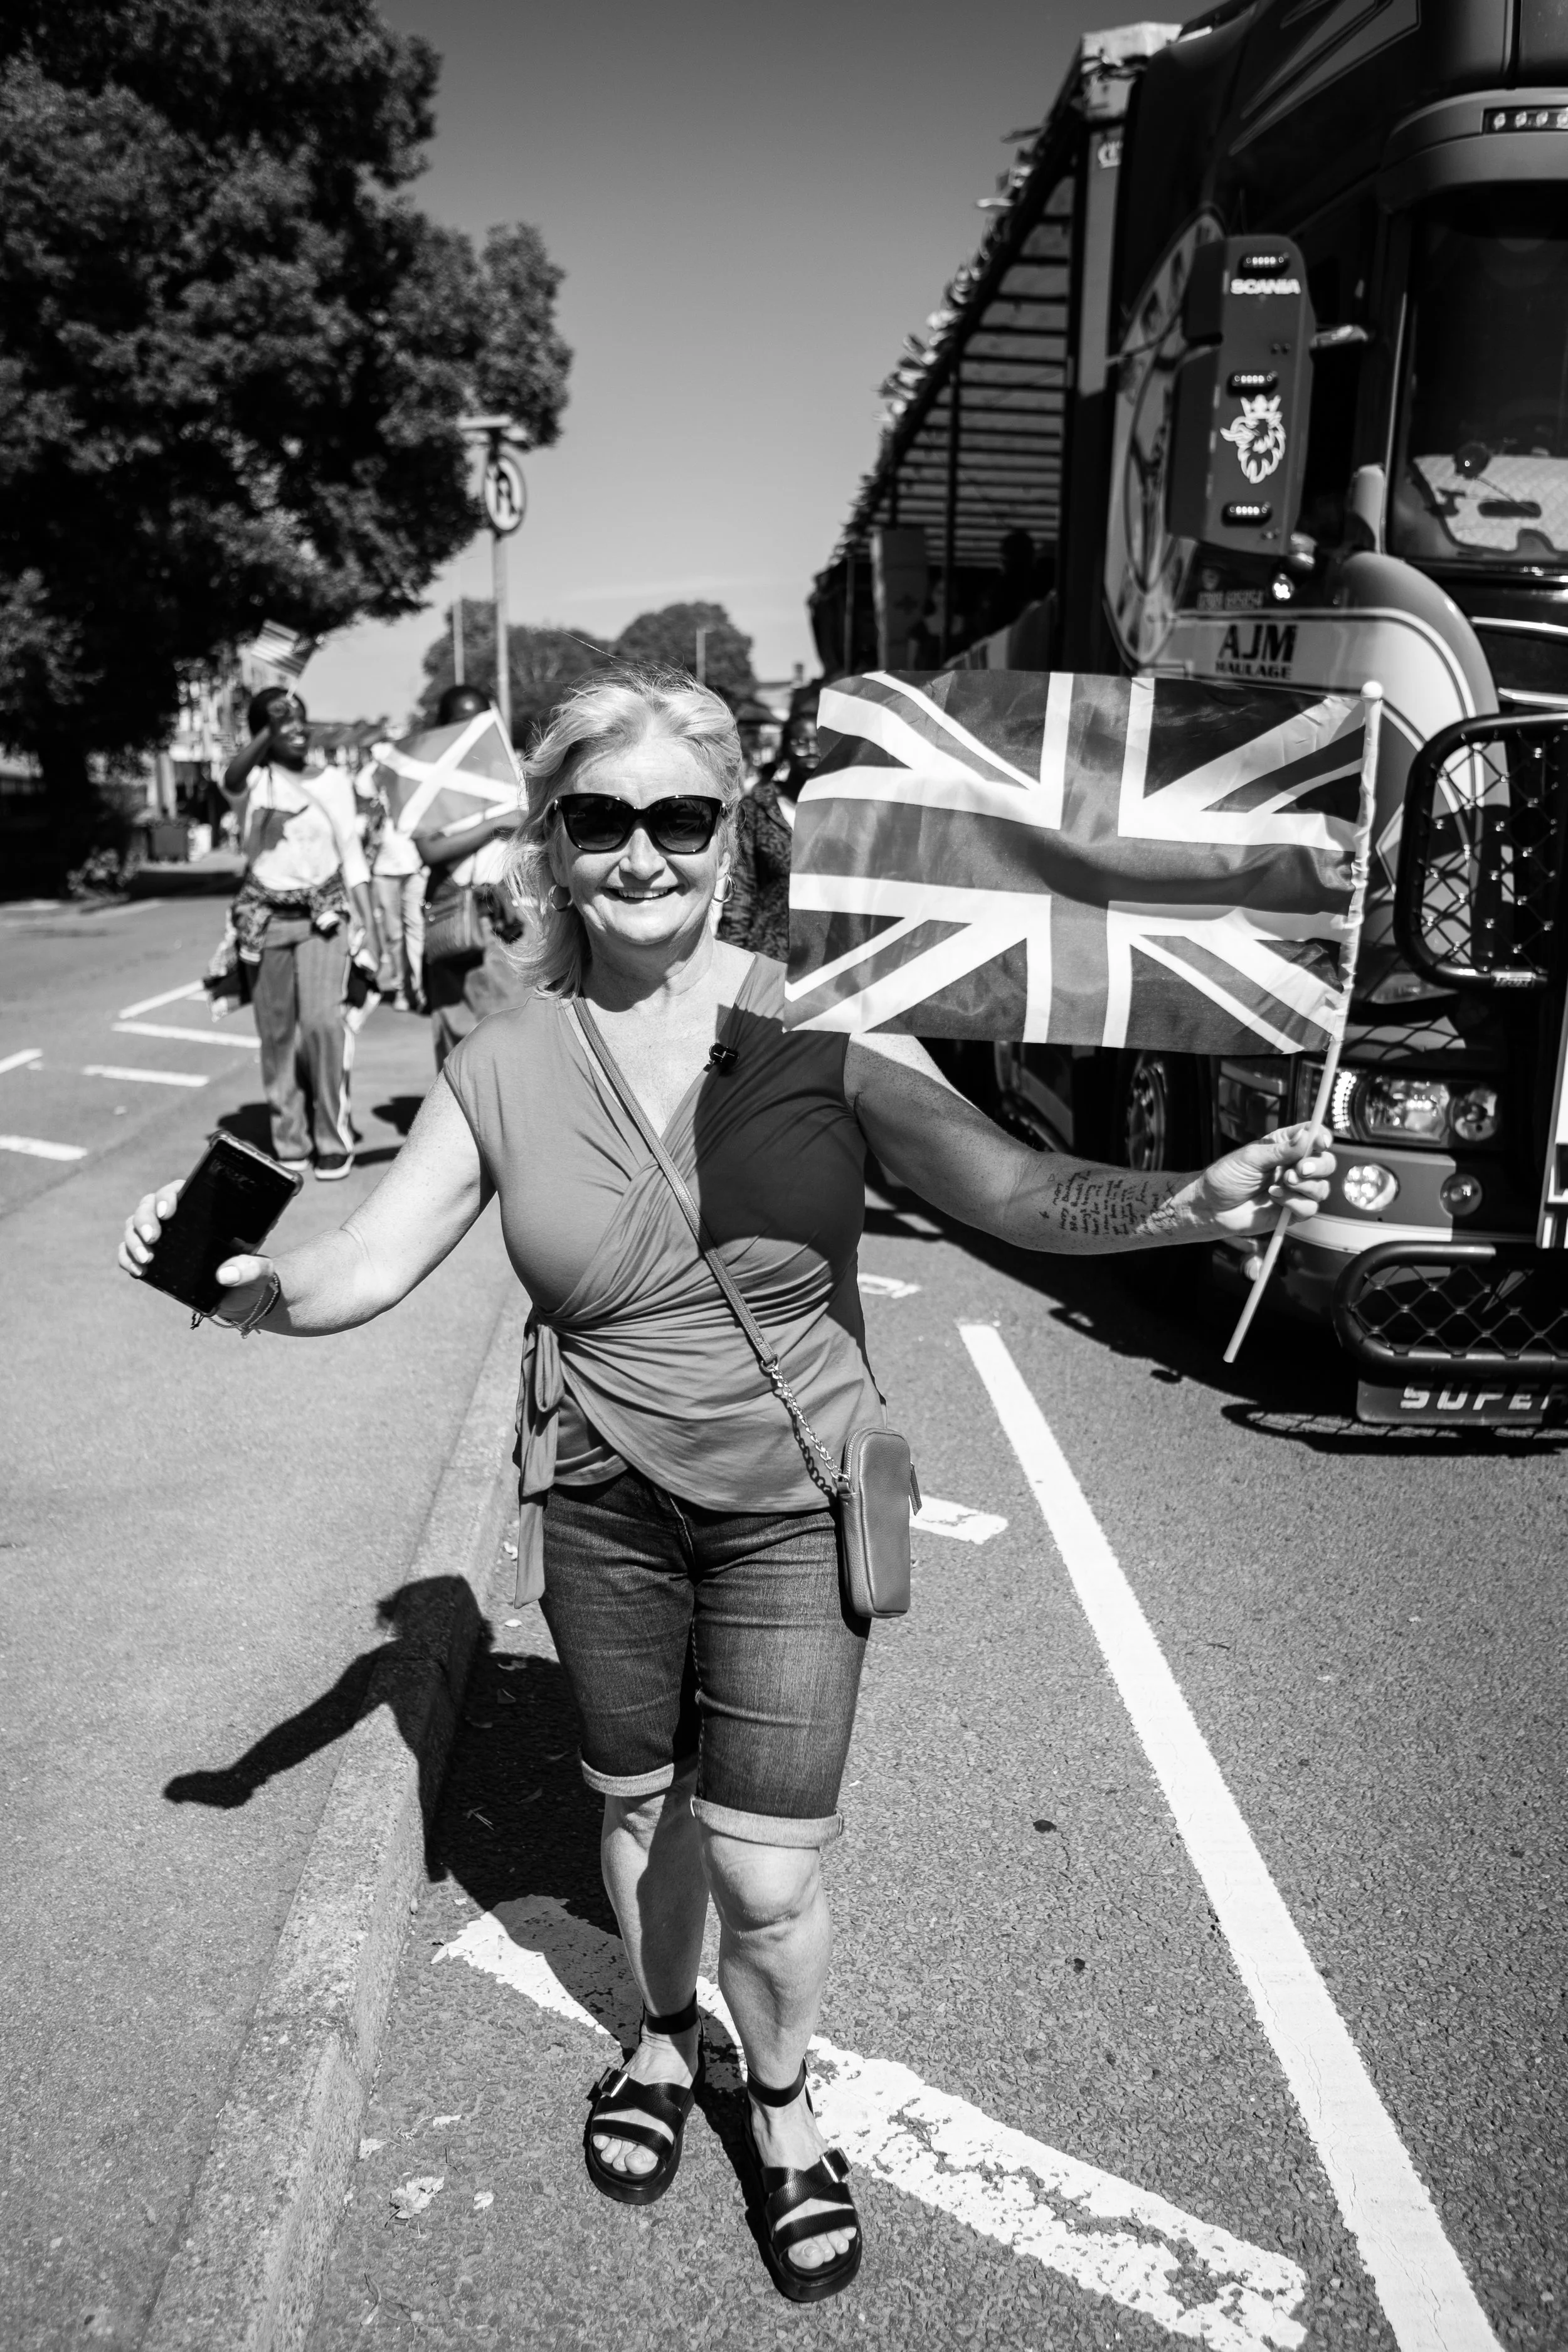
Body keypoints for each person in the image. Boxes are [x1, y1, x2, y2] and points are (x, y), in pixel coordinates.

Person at [122, 669, 1335, 2304]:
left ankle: (780, 2099)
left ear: (732, 835)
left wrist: (1199, 1194)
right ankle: (656, 2027)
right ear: (553, 843)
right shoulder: (501, 1059)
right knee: (636, 1817)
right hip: (603, 1501)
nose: (639, 853)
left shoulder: (822, 1033)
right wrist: (242, 1286)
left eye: (675, 818)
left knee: (766, 1874)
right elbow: (365, 1264)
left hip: (788, 1504)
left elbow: (1013, 1189)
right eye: (600, 820)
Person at [221, 688, 381, 1177]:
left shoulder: (334, 781)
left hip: (324, 917)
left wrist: (370, 922)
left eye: (299, 718)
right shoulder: (252, 783)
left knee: (322, 1024)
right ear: (260, 730)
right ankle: (290, 1138)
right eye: (279, 720)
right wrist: (266, 732)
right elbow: (231, 777)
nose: (294, 726)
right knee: (276, 1034)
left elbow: (352, 854)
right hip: (265, 922)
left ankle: (332, 1136)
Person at [416, 683, 529, 1069]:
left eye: (482, 720)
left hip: (513, 918)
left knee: (514, 1035)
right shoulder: (429, 782)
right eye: (461, 723)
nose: (474, 732)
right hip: (458, 918)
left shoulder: (513, 771)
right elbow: (429, 850)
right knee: (461, 1039)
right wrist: (497, 824)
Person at [718, 684, 818, 962]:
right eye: (800, 743)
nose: (810, 752)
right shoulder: (758, 810)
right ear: (784, 749)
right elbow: (741, 890)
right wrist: (731, 959)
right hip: (770, 955)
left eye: (818, 744)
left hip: (830, 961)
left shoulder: (845, 811)